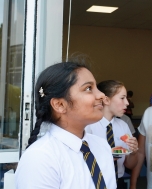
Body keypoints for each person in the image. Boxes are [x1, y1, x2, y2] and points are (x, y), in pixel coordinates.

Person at [15, 61, 116, 189]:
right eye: (88, 88)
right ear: (60, 105)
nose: (101, 95)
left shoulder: (102, 146)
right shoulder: (40, 158)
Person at [85, 80, 138, 189]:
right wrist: (106, 156)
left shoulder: (123, 125)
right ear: (106, 100)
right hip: (94, 182)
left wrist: (133, 152)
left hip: (119, 182)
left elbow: (130, 165)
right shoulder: (88, 126)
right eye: (122, 98)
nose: (127, 103)